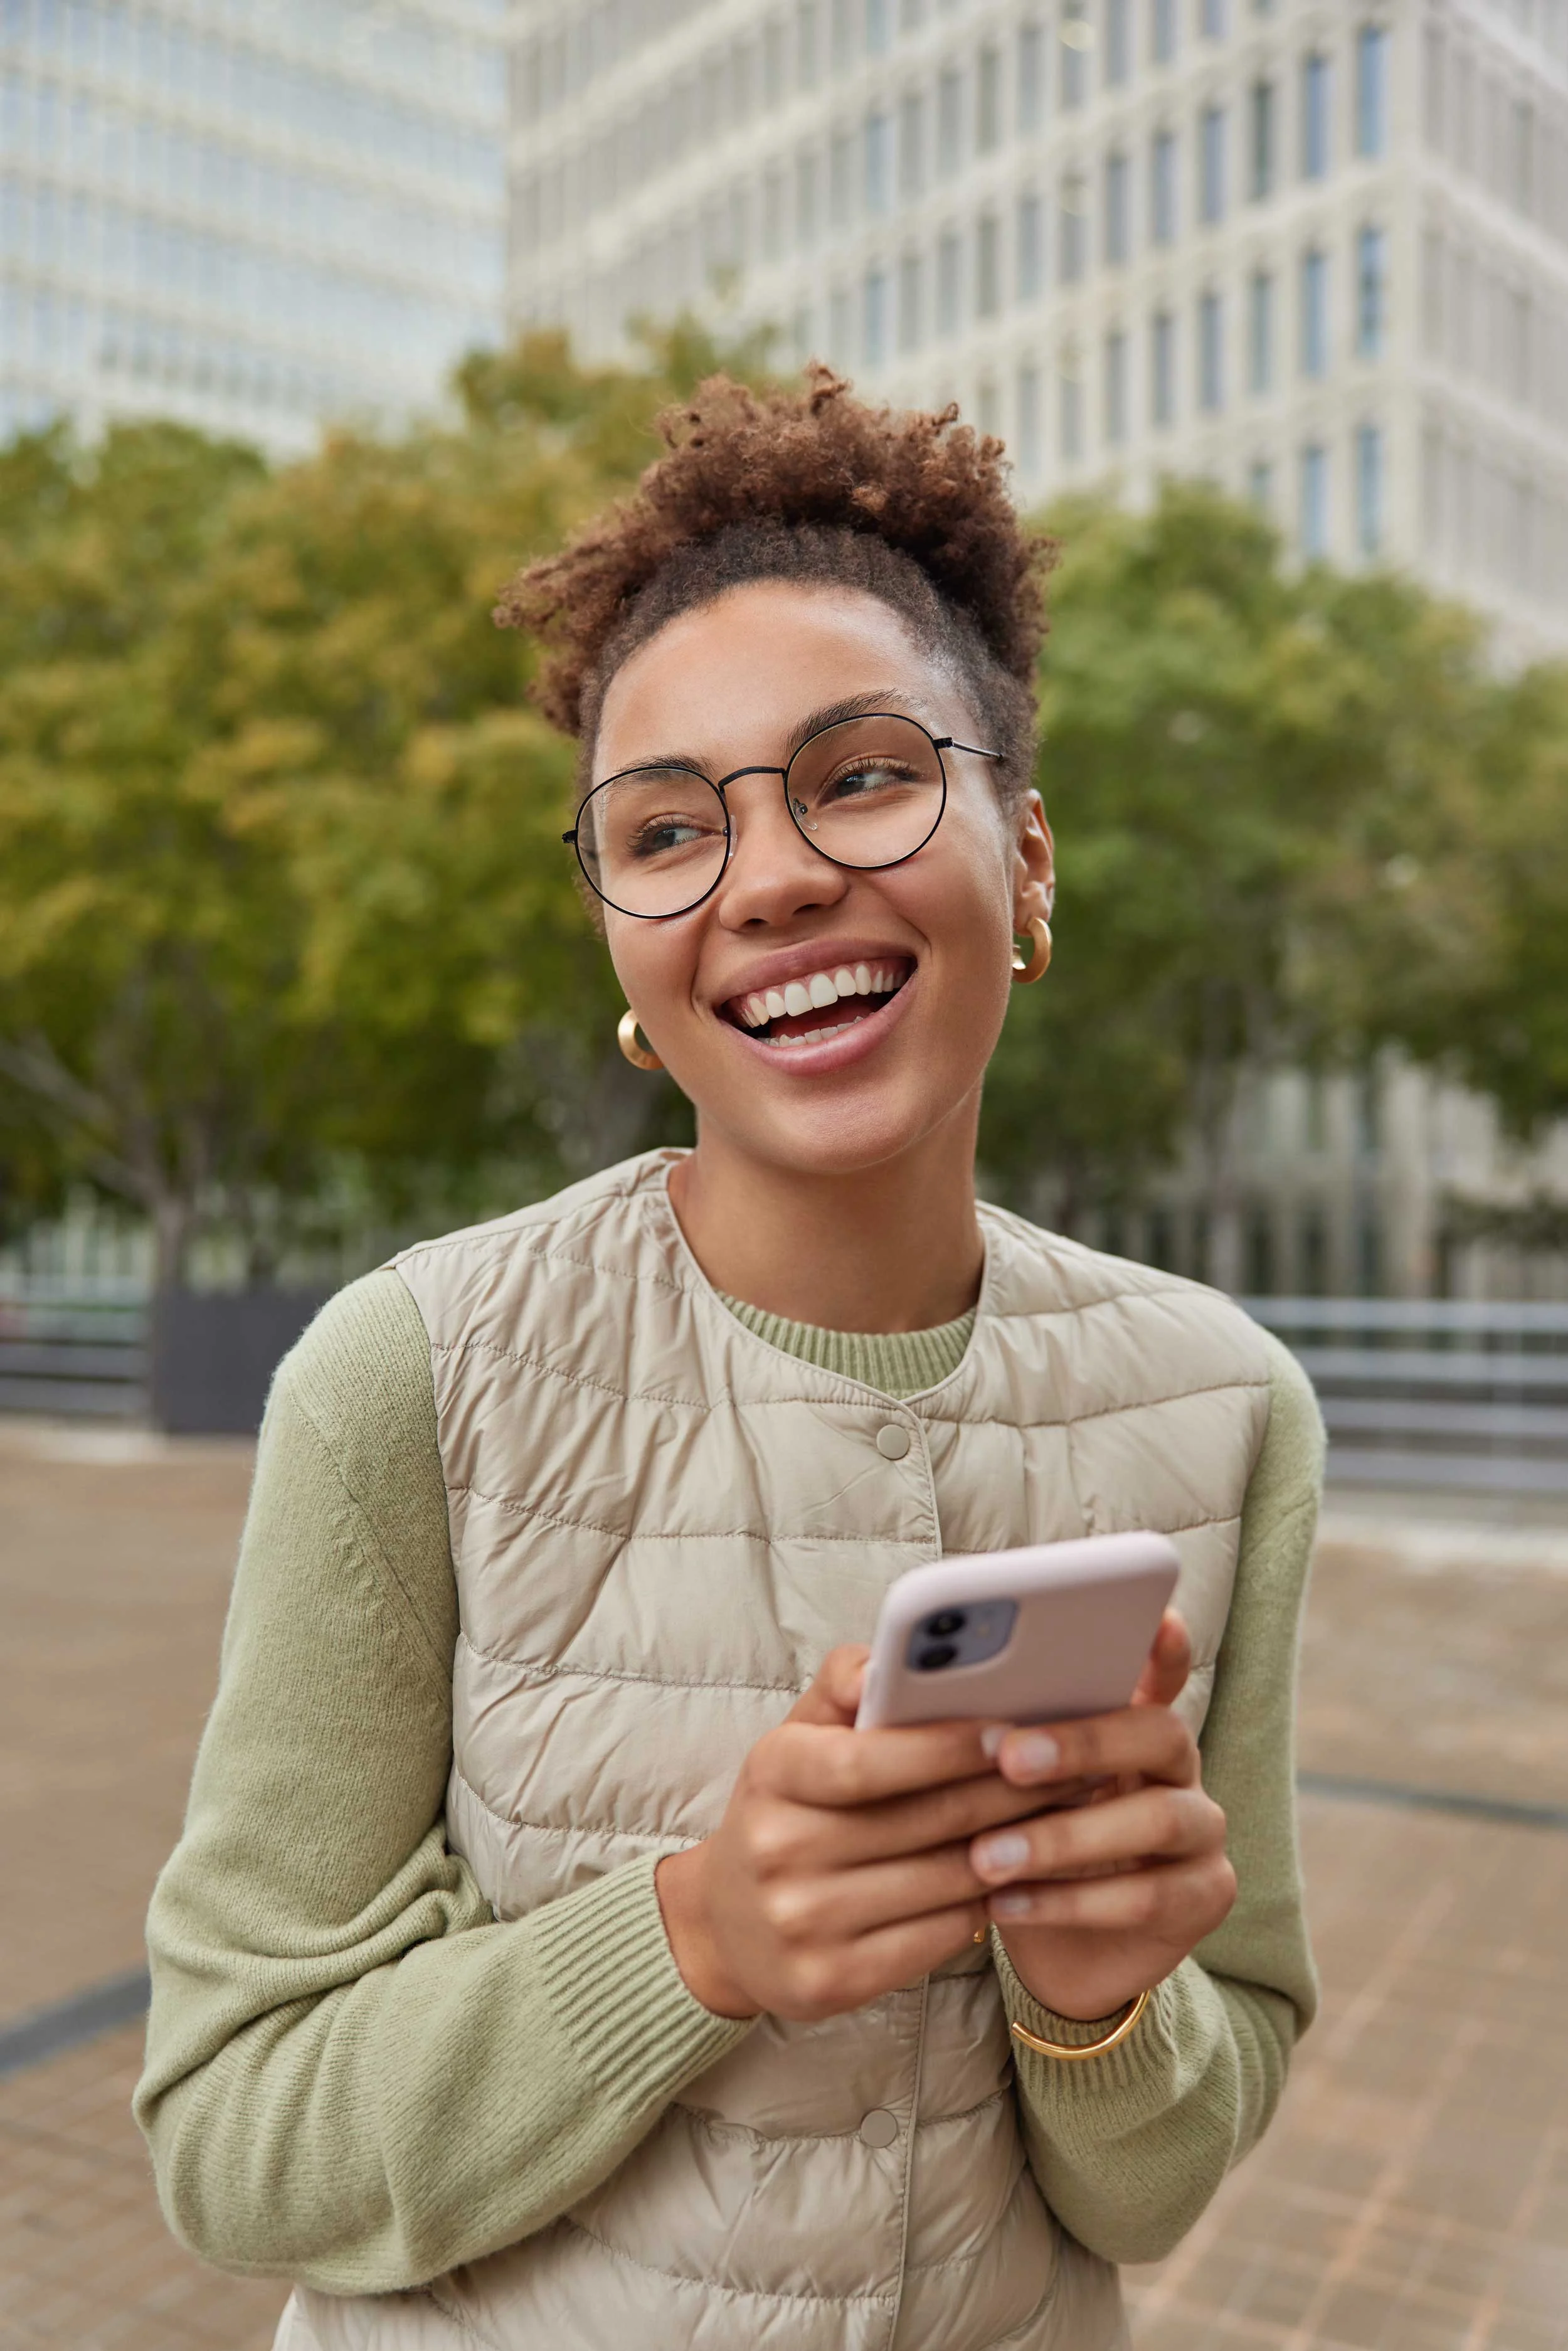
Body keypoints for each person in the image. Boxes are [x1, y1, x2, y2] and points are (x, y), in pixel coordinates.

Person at [135, 371, 1322, 2351]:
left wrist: (1099, 1998)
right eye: (665, 828)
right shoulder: (411, 1373)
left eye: (858, 774)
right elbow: (236, 2138)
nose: (765, 876)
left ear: (1024, 864)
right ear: (620, 940)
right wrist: (689, 1941)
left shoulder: (1226, 1410)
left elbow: (1152, 2180)